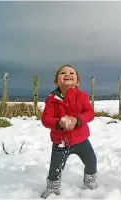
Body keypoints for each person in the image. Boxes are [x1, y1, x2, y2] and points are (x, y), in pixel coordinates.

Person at [40, 64, 98, 198]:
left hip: (81, 140)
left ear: (77, 81)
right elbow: (45, 119)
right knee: (55, 168)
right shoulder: (52, 100)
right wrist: (58, 123)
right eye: (62, 73)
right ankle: (53, 189)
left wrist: (77, 120)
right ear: (56, 81)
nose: (67, 74)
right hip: (61, 142)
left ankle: (90, 182)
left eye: (72, 72)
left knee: (91, 161)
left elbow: (89, 113)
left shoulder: (82, 96)